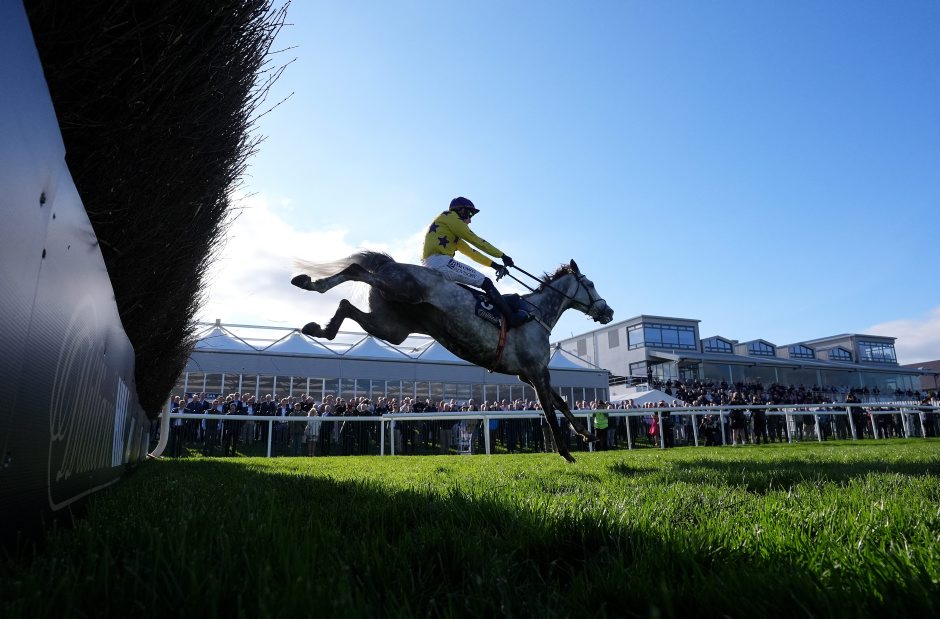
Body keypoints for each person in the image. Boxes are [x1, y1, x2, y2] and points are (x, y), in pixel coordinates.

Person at [421, 196, 525, 327]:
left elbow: (471, 252)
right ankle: (512, 319)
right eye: (470, 215)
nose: (470, 220)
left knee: (473, 290)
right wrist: (502, 255)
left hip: (431, 264)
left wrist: (495, 265)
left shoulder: (448, 229)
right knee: (486, 282)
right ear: (461, 210)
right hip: (440, 262)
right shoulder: (451, 217)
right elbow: (476, 240)